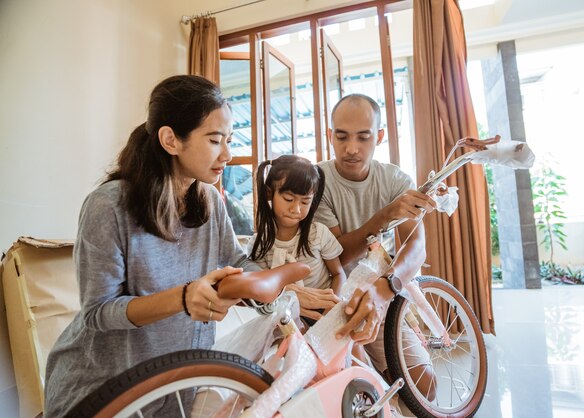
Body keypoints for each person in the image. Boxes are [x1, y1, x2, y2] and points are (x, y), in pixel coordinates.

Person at [44, 75, 261, 417]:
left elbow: (237, 261)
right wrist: (183, 297)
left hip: (172, 387)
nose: (228, 155)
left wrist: (280, 286)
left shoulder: (209, 201)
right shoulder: (108, 206)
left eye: (229, 140)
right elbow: (99, 312)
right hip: (103, 392)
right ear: (171, 139)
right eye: (215, 140)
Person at [314, 93, 437, 398]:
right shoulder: (316, 181)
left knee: (427, 389)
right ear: (330, 135)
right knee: (347, 389)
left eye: (363, 137)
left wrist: (385, 289)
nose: (351, 148)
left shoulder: (395, 179)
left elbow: (417, 247)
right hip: (333, 290)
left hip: (383, 288)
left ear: (379, 137)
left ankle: (382, 365)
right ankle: (374, 370)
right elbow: (339, 257)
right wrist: (384, 216)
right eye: (341, 137)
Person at [247, 155, 345, 322]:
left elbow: (338, 274)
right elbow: (262, 293)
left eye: (305, 202)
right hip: (285, 316)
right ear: (270, 193)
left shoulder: (318, 233)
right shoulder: (259, 244)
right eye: (289, 199)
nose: (296, 209)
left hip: (326, 311)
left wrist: (330, 310)